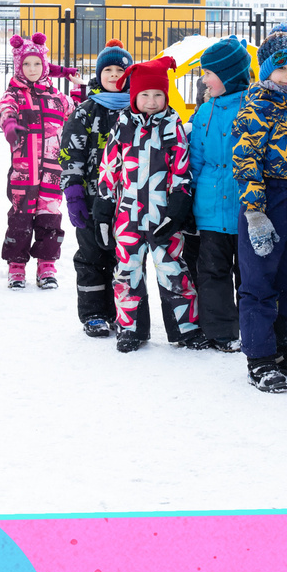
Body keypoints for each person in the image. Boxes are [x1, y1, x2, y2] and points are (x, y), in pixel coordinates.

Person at [230, 26, 287, 392]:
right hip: (265, 201)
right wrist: (255, 212)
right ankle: (260, 359)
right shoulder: (256, 108)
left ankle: (283, 349)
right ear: (267, 70)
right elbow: (246, 160)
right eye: (282, 68)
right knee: (259, 282)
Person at [103, 55, 198, 352]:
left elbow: (182, 169)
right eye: (145, 95)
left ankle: (185, 328)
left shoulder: (173, 125)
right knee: (127, 272)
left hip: (163, 215)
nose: (152, 101)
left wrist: (179, 205)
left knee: (173, 271)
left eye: (158, 94)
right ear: (134, 96)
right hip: (128, 216)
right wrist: (104, 207)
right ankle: (130, 328)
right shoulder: (122, 125)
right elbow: (110, 167)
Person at [61, 40, 136, 336]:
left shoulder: (137, 108)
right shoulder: (85, 111)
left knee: (123, 258)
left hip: (129, 201)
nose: (114, 75)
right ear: (98, 74)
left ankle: (121, 311)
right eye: (108, 70)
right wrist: (73, 192)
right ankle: (94, 313)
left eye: (120, 70)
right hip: (92, 199)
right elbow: (70, 152)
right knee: (92, 256)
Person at [185, 36, 254, 352]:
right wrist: (190, 198)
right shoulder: (204, 113)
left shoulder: (255, 109)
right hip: (210, 208)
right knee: (212, 271)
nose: (204, 80)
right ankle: (221, 332)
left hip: (247, 206)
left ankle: (252, 327)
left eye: (209, 73)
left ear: (227, 75)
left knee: (249, 274)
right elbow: (196, 160)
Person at [0, 32, 69, 291]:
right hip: (24, 171)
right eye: (26, 64)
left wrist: (83, 90)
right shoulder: (13, 95)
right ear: (19, 66)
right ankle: (16, 266)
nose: (32, 69)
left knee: (50, 217)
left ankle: (47, 265)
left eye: (37, 63)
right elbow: (5, 112)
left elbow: (76, 114)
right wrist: (10, 126)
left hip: (52, 171)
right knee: (20, 219)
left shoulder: (57, 97)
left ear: (45, 65)